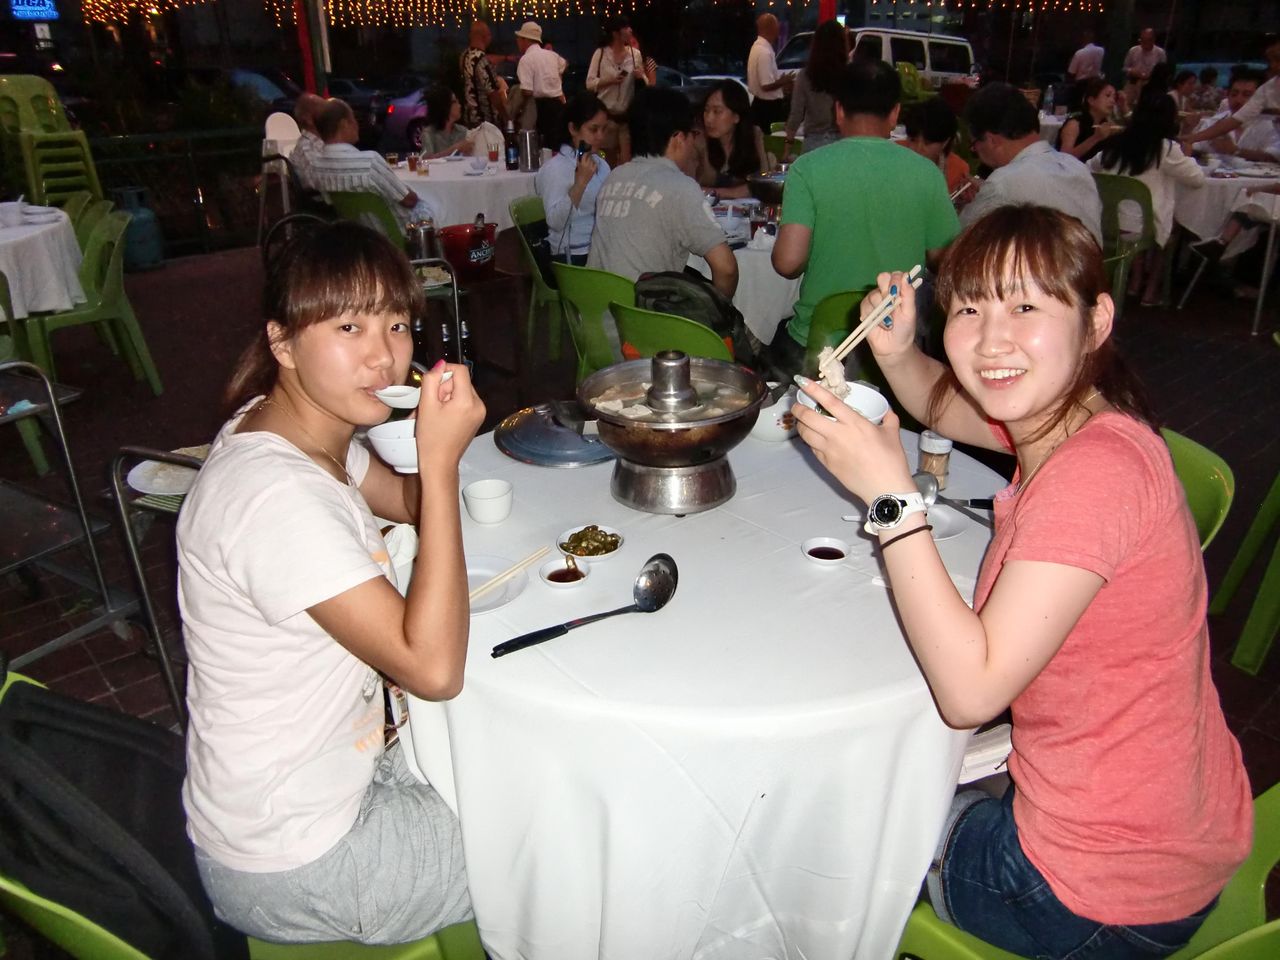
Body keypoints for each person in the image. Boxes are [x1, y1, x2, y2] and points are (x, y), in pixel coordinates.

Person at [791, 204, 1251, 960]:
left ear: (1095, 322)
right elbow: (942, 402)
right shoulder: (1074, 417)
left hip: (1088, 893)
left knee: (829, 818)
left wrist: (892, 499)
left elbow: (971, 692)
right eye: (969, 308)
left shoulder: (1093, 478)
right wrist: (898, 352)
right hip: (1171, 823)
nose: (992, 339)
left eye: (1027, 307)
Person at [178, 221, 486, 944]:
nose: (384, 355)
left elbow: (404, 501)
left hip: (329, 786)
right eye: (350, 326)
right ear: (282, 343)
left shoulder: (299, 429)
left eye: (397, 325)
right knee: (565, 831)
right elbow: (432, 670)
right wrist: (440, 463)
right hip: (302, 857)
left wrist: (430, 460)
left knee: (533, 763)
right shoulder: (273, 495)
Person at [768, 58, 958, 379]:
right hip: (896, 344)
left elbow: (787, 263)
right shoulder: (926, 172)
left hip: (818, 342)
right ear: (895, 114)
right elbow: (947, 260)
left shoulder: (808, 168)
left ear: (839, 111)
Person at [588, 85, 738, 299]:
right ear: (678, 138)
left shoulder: (614, 177)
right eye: (693, 134)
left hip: (596, 312)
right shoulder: (680, 187)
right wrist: (719, 310)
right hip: (647, 316)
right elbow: (726, 269)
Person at [1090, 89, 1205, 306]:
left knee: (1135, 216)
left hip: (1107, 221)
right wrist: (1188, 154)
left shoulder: (1116, 143)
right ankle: (1151, 289)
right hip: (1143, 227)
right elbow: (1197, 179)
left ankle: (1134, 280)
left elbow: (1091, 167)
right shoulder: (1165, 149)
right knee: (1171, 225)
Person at [960, 82, 1103, 245]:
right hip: (1089, 259)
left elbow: (960, 242)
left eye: (974, 145)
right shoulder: (1077, 167)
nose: (975, 152)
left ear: (992, 140)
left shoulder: (1003, 183)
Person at [310, 99, 441, 229]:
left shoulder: (316, 166)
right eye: (354, 119)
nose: (357, 125)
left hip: (354, 232)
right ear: (344, 124)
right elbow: (409, 200)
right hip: (394, 231)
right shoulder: (369, 162)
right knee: (435, 205)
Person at [535, 92, 610, 265]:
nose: (600, 136)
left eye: (603, 129)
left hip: (600, 247)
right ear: (573, 129)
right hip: (573, 255)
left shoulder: (601, 164)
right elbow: (555, 222)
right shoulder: (556, 169)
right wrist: (580, 183)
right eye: (593, 129)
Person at [1183, 36, 1280, 150]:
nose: (1273, 65)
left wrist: (1235, 151)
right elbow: (1235, 120)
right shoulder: (1268, 88)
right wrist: (1190, 137)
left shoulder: (1267, 125)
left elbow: (1272, 156)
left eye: (1277, 60)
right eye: (1271, 61)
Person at [586, 16, 655, 165]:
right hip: (606, 117)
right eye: (626, 27)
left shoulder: (635, 55)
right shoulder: (601, 53)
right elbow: (589, 83)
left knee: (627, 161)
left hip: (626, 118)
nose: (630, 30)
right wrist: (609, 81)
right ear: (616, 33)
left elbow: (647, 85)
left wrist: (641, 76)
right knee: (605, 161)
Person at [695, 80, 770, 198]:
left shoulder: (754, 136)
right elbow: (685, 188)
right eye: (706, 110)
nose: (709, 119)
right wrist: (734, 192)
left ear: (736, 117)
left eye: (717, 111)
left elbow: (764, 182)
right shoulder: (697, 140)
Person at [783, 19, 847, 160]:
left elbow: (796, 115)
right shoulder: (850, 75)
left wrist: (787, 148)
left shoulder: (805, 75)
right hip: (842, 143)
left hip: (813, 144)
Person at [1188, 72, 1280, 163]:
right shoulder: (1213, 122)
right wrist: (1187, 130)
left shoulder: (1272, 124)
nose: (1238, 100)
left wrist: (1235, 151)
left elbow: (1274, 156)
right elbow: (1192, 149)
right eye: (1234, 94)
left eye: (1247, 95)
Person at [900, 97, 971, 195]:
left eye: (927, 143)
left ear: (945, 142)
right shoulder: (893, 153)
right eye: (913, 140)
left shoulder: (958, 170)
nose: (918, 149)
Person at [514, 21, 566, 150]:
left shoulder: (526, 59)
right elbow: (564, 64)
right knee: (557, 147)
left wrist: (517, 109)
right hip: (557, 106)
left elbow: (527, 91)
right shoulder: (553, 55)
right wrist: (556, 81)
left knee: (541, 149)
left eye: (519, 38)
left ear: (525, 40)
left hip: (539, 109)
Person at [1055, 77, 1122, 161]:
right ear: (1091, 100)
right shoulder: (1074, 124)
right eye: (1107, 96)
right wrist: (1096, 137)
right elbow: (1064, 158)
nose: (1112, 101)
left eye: (1114, 97)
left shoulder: (1106, 123)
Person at [748, 13, 793, 134]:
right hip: (768, 109)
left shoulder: (757, 47)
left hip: (761, 106)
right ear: (770, 28)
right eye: (777, 26)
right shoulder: (764, 52)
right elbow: (766, 85)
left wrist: (780, 83)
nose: (778, 30)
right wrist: (783, 81)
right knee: (771, 140)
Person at [459, 20, 506, 130]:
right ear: (484, 37)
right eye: (489, 34)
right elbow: (492, 93)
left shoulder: (464, 56)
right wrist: (505, 115)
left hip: (469, 117)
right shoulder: (482, 60)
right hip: (485, 120)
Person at [418, 88, 474, 159]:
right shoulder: (429, 133)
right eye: (455, 102)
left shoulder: (462, 131)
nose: (459, 106)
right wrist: (454, 149)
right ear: (444, 106)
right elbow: (427, 160)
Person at [287, 92, 326, 191]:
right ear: (309, 119)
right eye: (324, 111)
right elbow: (318, 184)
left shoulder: (324, 143)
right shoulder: (306, 149)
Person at [1122, 28, 1167, 105]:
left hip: (1150, 84)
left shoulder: (1160, 53)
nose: (1144, 43)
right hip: (1133, 82)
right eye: (1142, 40)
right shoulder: (1133, 50)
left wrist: (1150, 75)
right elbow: (1124, 68)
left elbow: (1163, 72)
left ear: (1153, 40)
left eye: (1148, 40)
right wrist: (1131, 71)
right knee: (1124, 101)